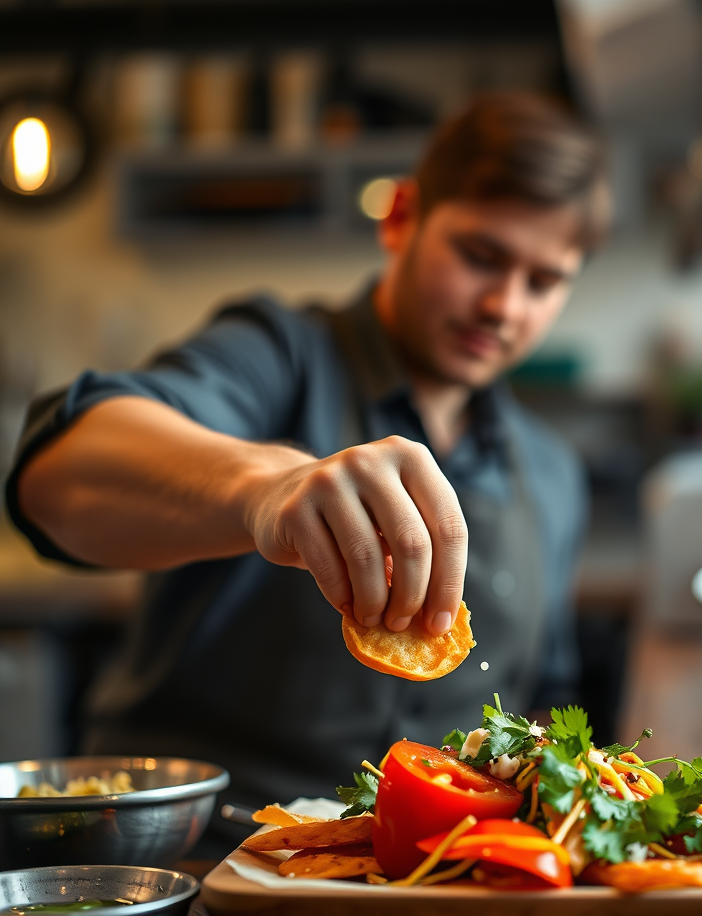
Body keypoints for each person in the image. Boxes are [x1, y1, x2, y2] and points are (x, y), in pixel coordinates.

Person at [4, 92, 608, 830]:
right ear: (401, 218)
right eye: (481, 256)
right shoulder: (278, 356)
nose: (504, 307)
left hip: (419, 875)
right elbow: (56, 473)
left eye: (543, 282)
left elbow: (540, 700)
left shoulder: (551, 474)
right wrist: (266, 486)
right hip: (197, 854)